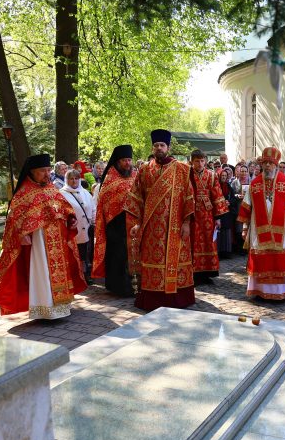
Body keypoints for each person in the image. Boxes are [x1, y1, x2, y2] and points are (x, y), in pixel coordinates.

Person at [0, 154, 86, 319]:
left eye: (48, 170)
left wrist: (71, 218)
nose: (47, 174)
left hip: (57, 238)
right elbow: (15, 219)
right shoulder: (23, 192)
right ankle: (45, 308)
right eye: (43, 171)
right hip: (39, 241)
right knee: (42, 272)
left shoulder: (51, 188)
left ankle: (61, 306)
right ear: (32, 172)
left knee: (58, 271)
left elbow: (64, 207)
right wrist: (21, 234)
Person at [125, 129, 196, 310]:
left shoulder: (182, 169)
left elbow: (189, 197)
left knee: (175, 261)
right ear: (153, 147)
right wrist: (137, 223)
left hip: (175, 226)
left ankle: (177, 298)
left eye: (162, 145)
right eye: (156, 145)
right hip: (151, 228)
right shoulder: (144, 170)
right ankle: (152, 299)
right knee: (153, 262)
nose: (159, 148)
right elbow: (136, 198)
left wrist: (186, 223)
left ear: (168, 147)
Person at [237, 147, 285, 300]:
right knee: (261, 260)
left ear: (276, 165)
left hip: (282, 232)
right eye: (265, 163)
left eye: (271, 163)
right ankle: (259, 291)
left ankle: (279, 291)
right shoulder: (254, 184)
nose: (268, 166)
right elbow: (246, 209)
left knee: (279, 260)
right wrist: (244, 228)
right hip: (258, 231)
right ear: (262, 164)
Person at [91, 145, 137, 296]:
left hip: (134, 223)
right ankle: (119, 287)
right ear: (118, 162)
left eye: (129, 160)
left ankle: (136, 285)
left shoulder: (135, 176)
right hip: (115, 224)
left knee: (134, 254)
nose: (127, 163)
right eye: (124, 160)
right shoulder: (110, 178)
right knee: (118, 256)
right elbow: (105, 202)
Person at [189, 149, 229, 284]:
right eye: (197, 161)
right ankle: (193, 274)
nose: (200, 164)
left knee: (208, 243)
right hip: (192, 215)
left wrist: (218, 218)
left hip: (207, 215)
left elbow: (217, 196)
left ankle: (207, 273)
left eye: (202, 161)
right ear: (192, 162)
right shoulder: (187, 175)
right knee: (194, 243)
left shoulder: (211, 175)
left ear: (205, 161)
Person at [60, 169, 94, 283]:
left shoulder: (85, 193)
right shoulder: (61, 194)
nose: (74, 181)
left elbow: (93, 208)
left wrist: (94, 222)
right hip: (72, 230)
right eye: (71, 179)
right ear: (67, 180)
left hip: (87, 228)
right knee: (75, 254)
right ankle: (75, 276)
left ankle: (86, 275)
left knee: (85, 253)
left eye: (76, 178)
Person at [217, 169, 237, 259]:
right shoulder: (216, 186)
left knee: (227, 232)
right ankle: (219, 252)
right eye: (222, 176)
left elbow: (233, 198)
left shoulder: (228, 186)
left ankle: (227, 252)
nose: (224, 177)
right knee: (219, 232)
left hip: (227, 213)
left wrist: (229, 202)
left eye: (225, 176)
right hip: (219, 213)